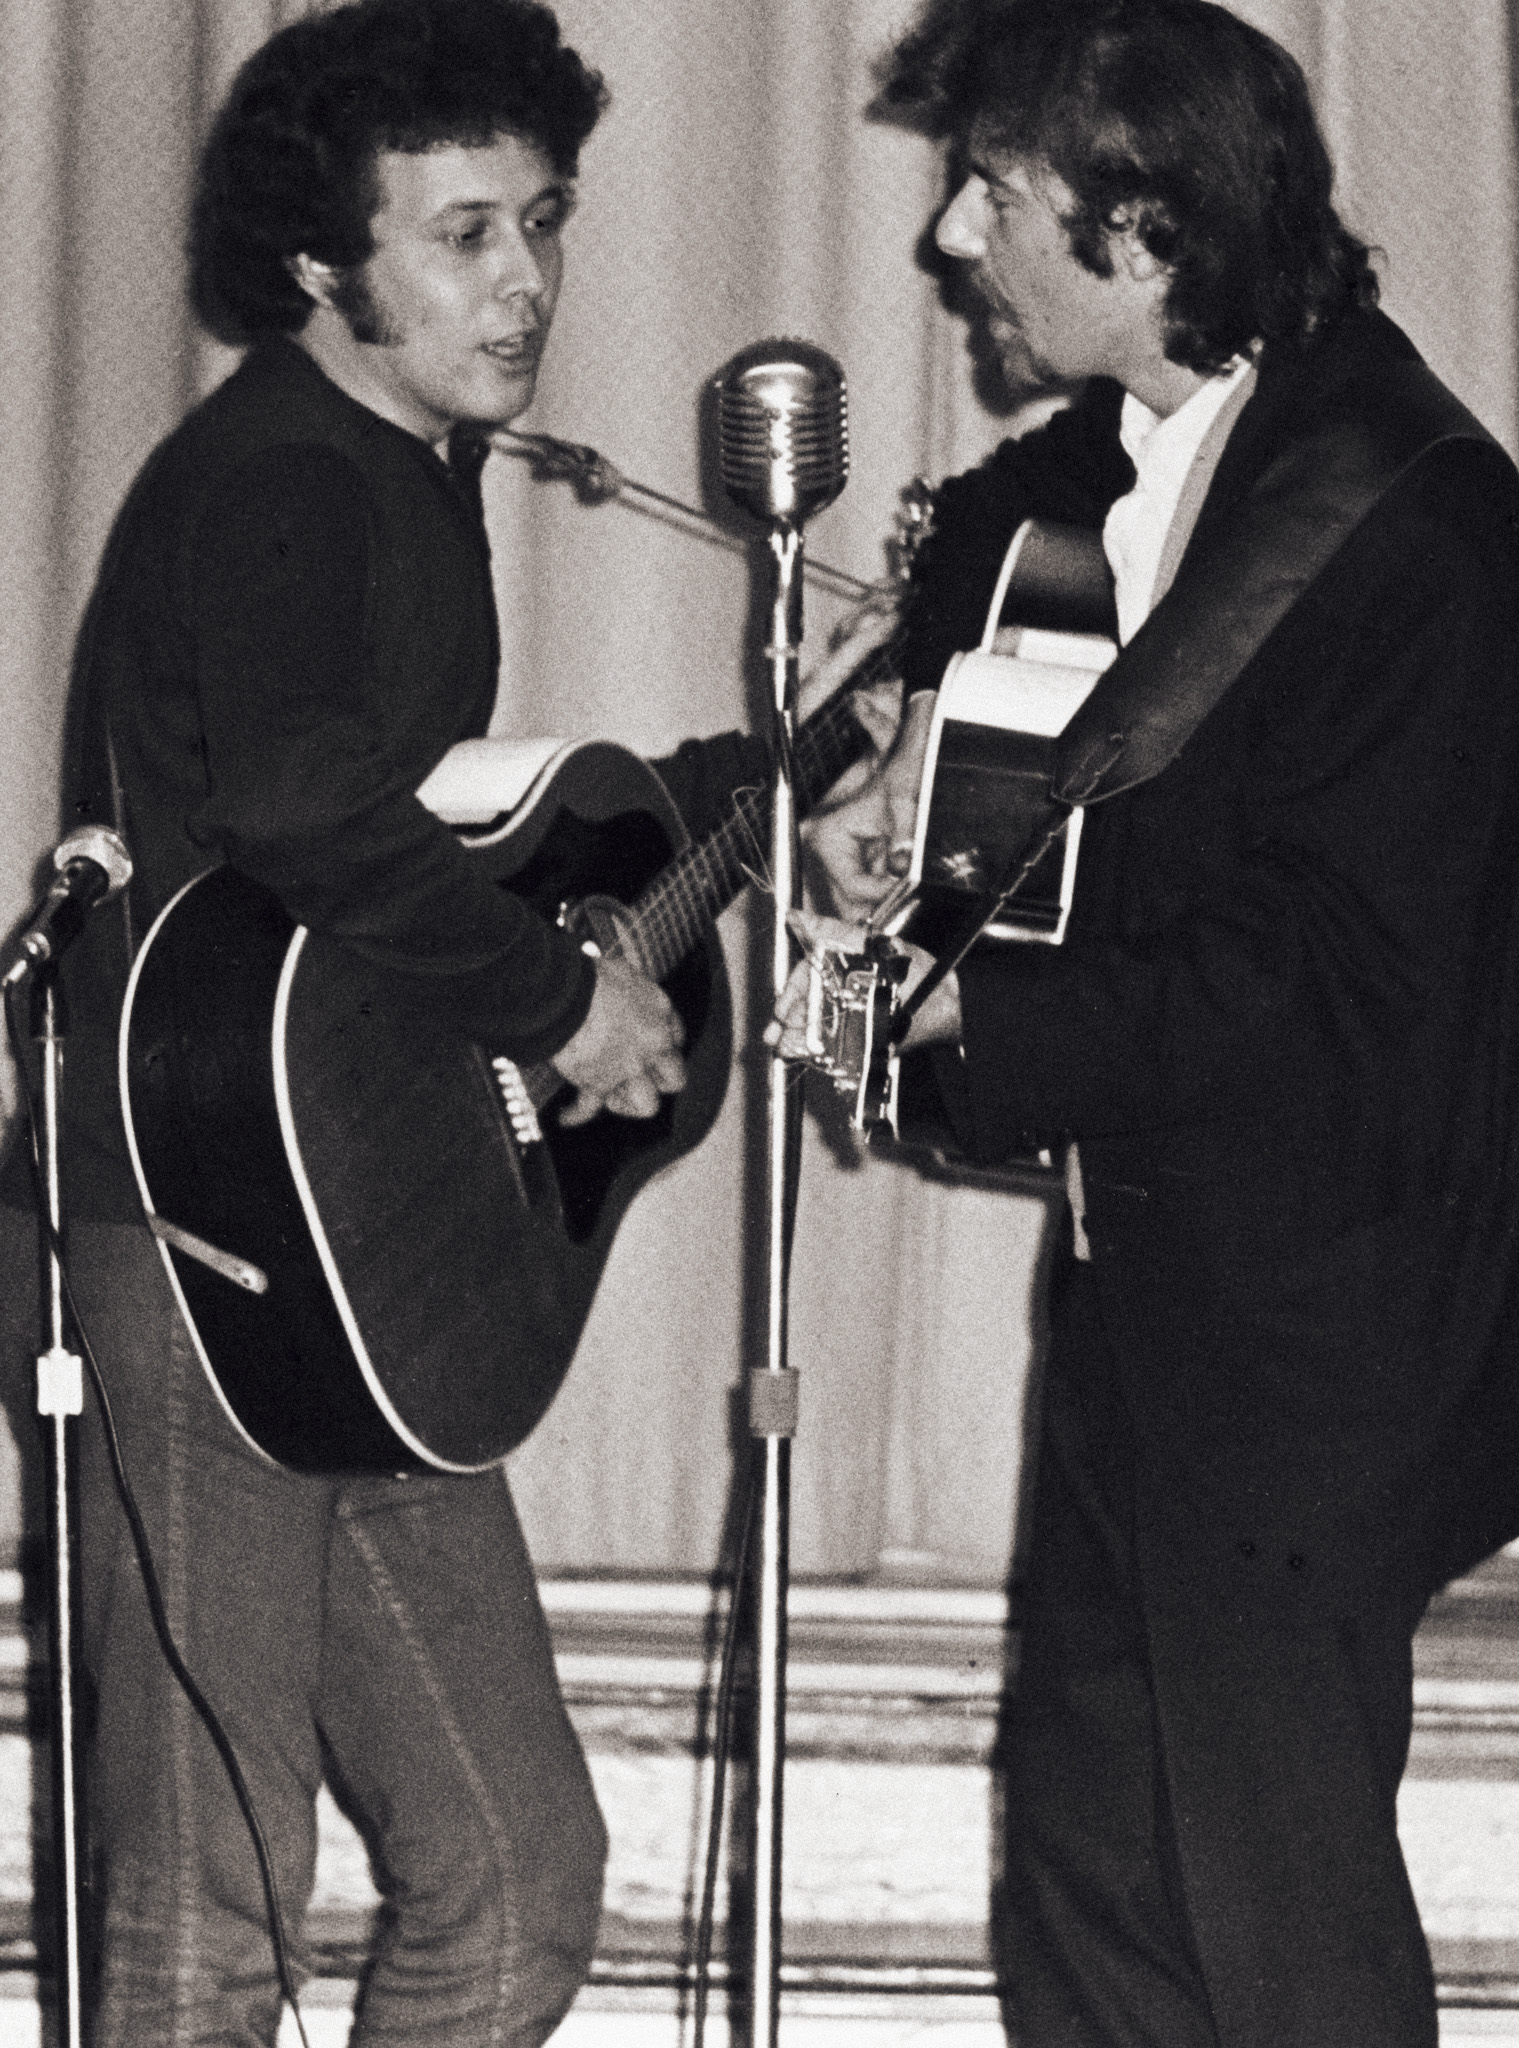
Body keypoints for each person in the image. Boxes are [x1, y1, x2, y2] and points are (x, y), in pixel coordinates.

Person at [4, 1, 890, 2039]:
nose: (525, 284)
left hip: (357, 1251)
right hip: (194, 1248)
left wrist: (762, 774)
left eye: (545, 222)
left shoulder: (407, 467)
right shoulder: (288, 481)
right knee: (204, 1923)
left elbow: (425, 832)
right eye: (462, 234)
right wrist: (554, 999)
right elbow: (308, 814)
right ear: (326, 264)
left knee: (508, 1880)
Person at [775, 3, 1519, 2043]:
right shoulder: (1103, 471)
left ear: (1140, 223)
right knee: (1090, 1886)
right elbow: (1045, 796)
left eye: (990, 194)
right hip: (1134, 1296)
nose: (945, 239)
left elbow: (1332, 999)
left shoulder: (1418, 532)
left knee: (1269, 1920)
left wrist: (963, 1029)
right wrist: (883, 835)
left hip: (1319, 1334)